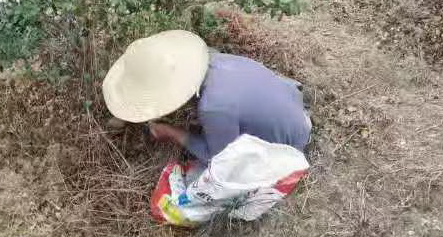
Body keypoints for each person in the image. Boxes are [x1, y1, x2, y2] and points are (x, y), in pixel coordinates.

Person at [102, 30, 312, 164]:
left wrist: (173, 133)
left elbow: (219, 159)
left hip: (290, 146)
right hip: (293, 106)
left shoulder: (213, 108)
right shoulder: (217, 60)